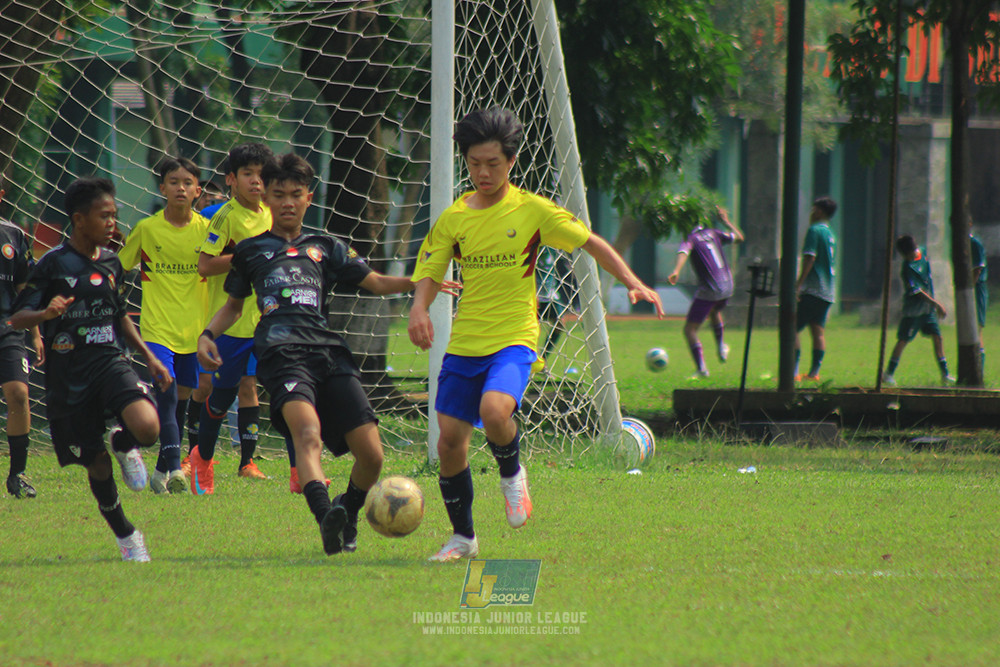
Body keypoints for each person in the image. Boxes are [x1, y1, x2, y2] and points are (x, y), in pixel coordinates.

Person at [408, 107, 664, 562]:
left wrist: (632, 281)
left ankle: (512, 475)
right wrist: (418, 310)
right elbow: (430, 268)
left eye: (493, 163)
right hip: (466, 343)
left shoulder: (532, 210)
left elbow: (590, 242)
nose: (483, 172)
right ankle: (463, 538)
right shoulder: (454, 218)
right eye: (474, 164)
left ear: (511, 161)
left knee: (494, 409)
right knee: (449, 441)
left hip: (515, 337)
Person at [198, 153, 440, 554]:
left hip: (329, 352)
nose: (288, 202)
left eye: (296, 194)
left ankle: (345, 510)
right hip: (280, 355)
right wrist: (208, 334)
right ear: (268, 200)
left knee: (373, 455)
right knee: (307, 434)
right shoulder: (250, 251)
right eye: (279, 194)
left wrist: (419, 282)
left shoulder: (325, 246)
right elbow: (234, 308)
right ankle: (326, 515)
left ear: (309, 198)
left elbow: (376, 282)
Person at [10, 177, 171, 561]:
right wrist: (45, 314)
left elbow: (119, 315)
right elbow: (17, 316)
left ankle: (124, 442)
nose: (112, 223)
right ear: (79, 220)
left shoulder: (113, 261)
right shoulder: (53, 264)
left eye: (114, 215)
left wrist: (148, 357)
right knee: (95, 464)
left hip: (109, 361)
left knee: (148, 427)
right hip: (68, 376)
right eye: (105, 216)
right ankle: (126, 535)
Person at [119, 157, 210, 494]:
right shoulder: (147, 229)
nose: (181, 188)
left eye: (188, 182)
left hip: (195, 333)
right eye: (174, 182)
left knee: (182, 402)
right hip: (157, 330)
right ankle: (175, 471)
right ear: (162, 188)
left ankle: (158, 474)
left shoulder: (207, 231)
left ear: (197, 190)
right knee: (168, 398)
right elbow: (120, 268)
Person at [190, 142, 275, 494]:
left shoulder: (272, 213)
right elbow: (206, 265)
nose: (256, 182)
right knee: (212, 392)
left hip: (264, 319)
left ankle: (247, 462)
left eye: (262, 175)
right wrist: (244, 255)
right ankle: (197, 457)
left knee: (250, 387)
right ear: (231, 180)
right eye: (248, 175)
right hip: (229, 319)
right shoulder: (225, 216)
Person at [0, 174, 43, 498]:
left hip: (8, 326)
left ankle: (18, 475)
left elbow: (23, 288)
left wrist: (36, 333)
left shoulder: (13, 234)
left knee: (18, 394)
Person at [667, 206, 744, 378]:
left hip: (711, 288)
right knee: (715, 310)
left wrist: (676, 271)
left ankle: (702, 369)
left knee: (689, 330)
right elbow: (739, 238)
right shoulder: (714, 233)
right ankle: (721, 346)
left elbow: (683, 252)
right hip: (728, 285)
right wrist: (726, 221)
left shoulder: (691, 238)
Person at [881, 234, 955, 387]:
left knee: (937, 337)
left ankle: (945, 374)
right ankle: (888, 373)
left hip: (927, 310)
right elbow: (918, 292)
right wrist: (937, 304)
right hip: (914, 311)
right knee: (903, 340)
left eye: (910, 254)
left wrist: (933, 305)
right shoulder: (907, 268)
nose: (909, 257)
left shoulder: (923, 253)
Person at [794, 196, 838, 381]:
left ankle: (792, 372)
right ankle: (814, 372)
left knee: (792, 329)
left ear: (819, 211)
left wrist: (798, 284)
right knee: (817, 331)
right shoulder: (830, 233)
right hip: (828, 292)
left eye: (814, 209)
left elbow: (810, 258)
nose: (811, 212)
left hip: (813, 289)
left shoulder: (814, 230)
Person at [970, 227, 988, 370]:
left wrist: (969, 288)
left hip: (977, 288)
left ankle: (979, 369)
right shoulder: (963, 244)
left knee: (977, 328)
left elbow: (978, 269)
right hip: (970, 289)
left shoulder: (974, 243)